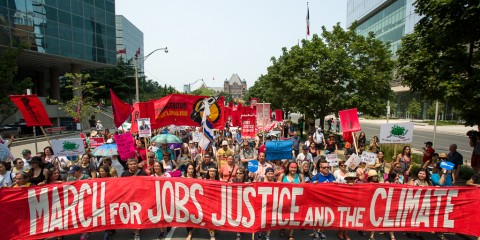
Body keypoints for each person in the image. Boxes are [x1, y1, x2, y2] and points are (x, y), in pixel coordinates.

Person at [121, 158, 148, 240]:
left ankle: (136, 232)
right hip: (129, 197)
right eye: (131, 164)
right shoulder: (124, 174)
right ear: (128, 165)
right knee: (131, 215)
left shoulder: (143, 173)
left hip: (140, 198)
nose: (133, 165)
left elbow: (148, 185)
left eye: (134, 164)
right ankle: (136, 228)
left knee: (138, 214)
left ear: (137, 164)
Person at [278, 161, 304, 240]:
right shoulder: (283, 176)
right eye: (291, 167)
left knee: (293, 218)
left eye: (295, 168)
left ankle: (290, 234)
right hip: (285, 201)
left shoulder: (300, 176)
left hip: (296, 201)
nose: (293, 169)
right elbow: (277, 186)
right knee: (284, 216)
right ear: (288, 168)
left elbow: (304, 188)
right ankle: (282, 229)